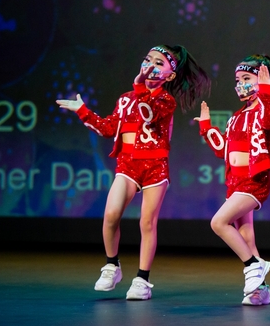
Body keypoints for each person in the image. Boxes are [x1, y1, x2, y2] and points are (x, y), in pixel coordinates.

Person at [56, 44, 210, 300]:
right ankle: (111, 265)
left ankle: (142, 280)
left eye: (159, 63)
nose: (150, 65)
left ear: (170, 75)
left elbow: (149, 114)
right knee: (111, 215)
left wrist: (139, 86)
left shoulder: (165, 101)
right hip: (128, 165)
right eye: (148, 59)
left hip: (155, 167)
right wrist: (83, 111)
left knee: (147, 222)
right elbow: (108, 129)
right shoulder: (126, 98)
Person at [195, 54, 270, 306]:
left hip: (253, 181)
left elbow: (269, 121)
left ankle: (254, 265)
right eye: (238, 80)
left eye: (246, 78)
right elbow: (223, 149)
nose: (241, 84)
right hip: (235, 182)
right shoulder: (236, 116)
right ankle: (261, 290)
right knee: (246, 236)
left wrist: (266, 91)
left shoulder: (266, 108)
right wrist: (206, 127)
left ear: (261, 79)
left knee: (218, 222)